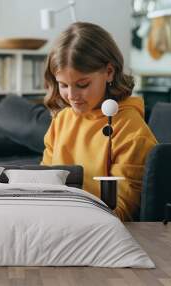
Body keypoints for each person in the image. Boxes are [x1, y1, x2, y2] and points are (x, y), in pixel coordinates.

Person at [41, 22, 157, 221]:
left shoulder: (130, 129)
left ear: (109, 72)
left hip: (98, 230)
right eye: (63, 85)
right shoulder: (62, 120)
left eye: (82, 84)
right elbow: (43, 185)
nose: (72, 96)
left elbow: (121, 210)